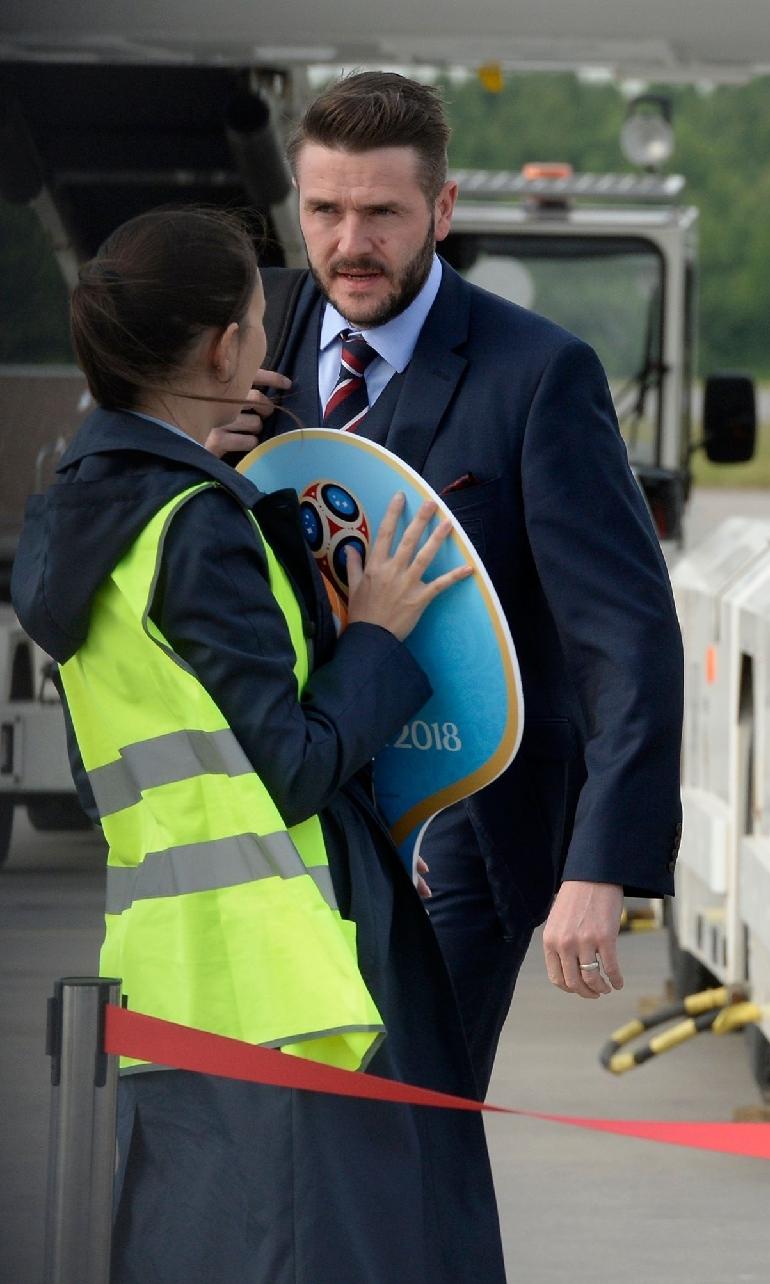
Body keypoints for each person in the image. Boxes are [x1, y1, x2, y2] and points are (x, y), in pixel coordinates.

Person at [12, 207, 506, 1281]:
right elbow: (289, 764)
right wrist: (372, 633)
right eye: (253, 320)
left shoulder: (83, 520)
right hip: (299, 994)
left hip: (176, 986)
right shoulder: (196, 527)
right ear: (226, 349)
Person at [208, 71, 684, 1093]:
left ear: (443, 208)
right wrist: (199, 449)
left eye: (382, 213)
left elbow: (626, 636)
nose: (349, 242)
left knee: (412, 1130)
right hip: (283, 805)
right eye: (325, 210)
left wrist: (599, 863)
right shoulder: (246, 338)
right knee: (303, 1146)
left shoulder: (537, 374)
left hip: (458, 817)